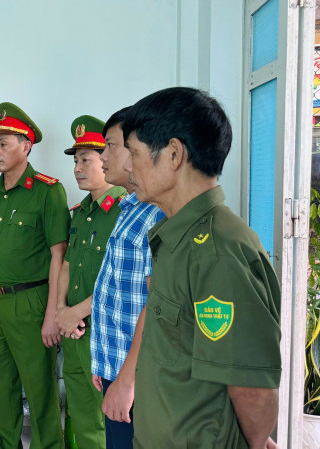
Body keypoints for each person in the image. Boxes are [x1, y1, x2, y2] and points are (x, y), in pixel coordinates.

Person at [123, 87, 281, 448]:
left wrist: (256, 442)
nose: (128, 166)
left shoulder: (217, 251)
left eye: (134, 152)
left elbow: (251, 387)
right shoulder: (180, 237)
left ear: (173, 154)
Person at [0, 102, 70, 448]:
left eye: (3, 144)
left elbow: (59, 255)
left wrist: (52, 313)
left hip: (30, 303)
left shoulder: (47, 191)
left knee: (40, 392)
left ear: (26, 146)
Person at [87, 107, 164, 449]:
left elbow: (156, 304)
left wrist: (126, 380)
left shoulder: (157, 214)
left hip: (136, 376)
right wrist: (103, 363)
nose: (103, 156)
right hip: (115, 365)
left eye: (111, 146)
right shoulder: (131, 208)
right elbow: (117, 291)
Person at [55, 115, 125, 449]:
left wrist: (75, 312)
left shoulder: (126, 209)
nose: (77, 168)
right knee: (82, 417)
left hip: (106, 333)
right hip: (75, 333)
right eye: (75, 161)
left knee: (109, 421)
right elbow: (68, 265)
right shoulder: (81, 212)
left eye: (86, 160)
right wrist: (61, 310)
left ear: (106, 159)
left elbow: (122, 279)